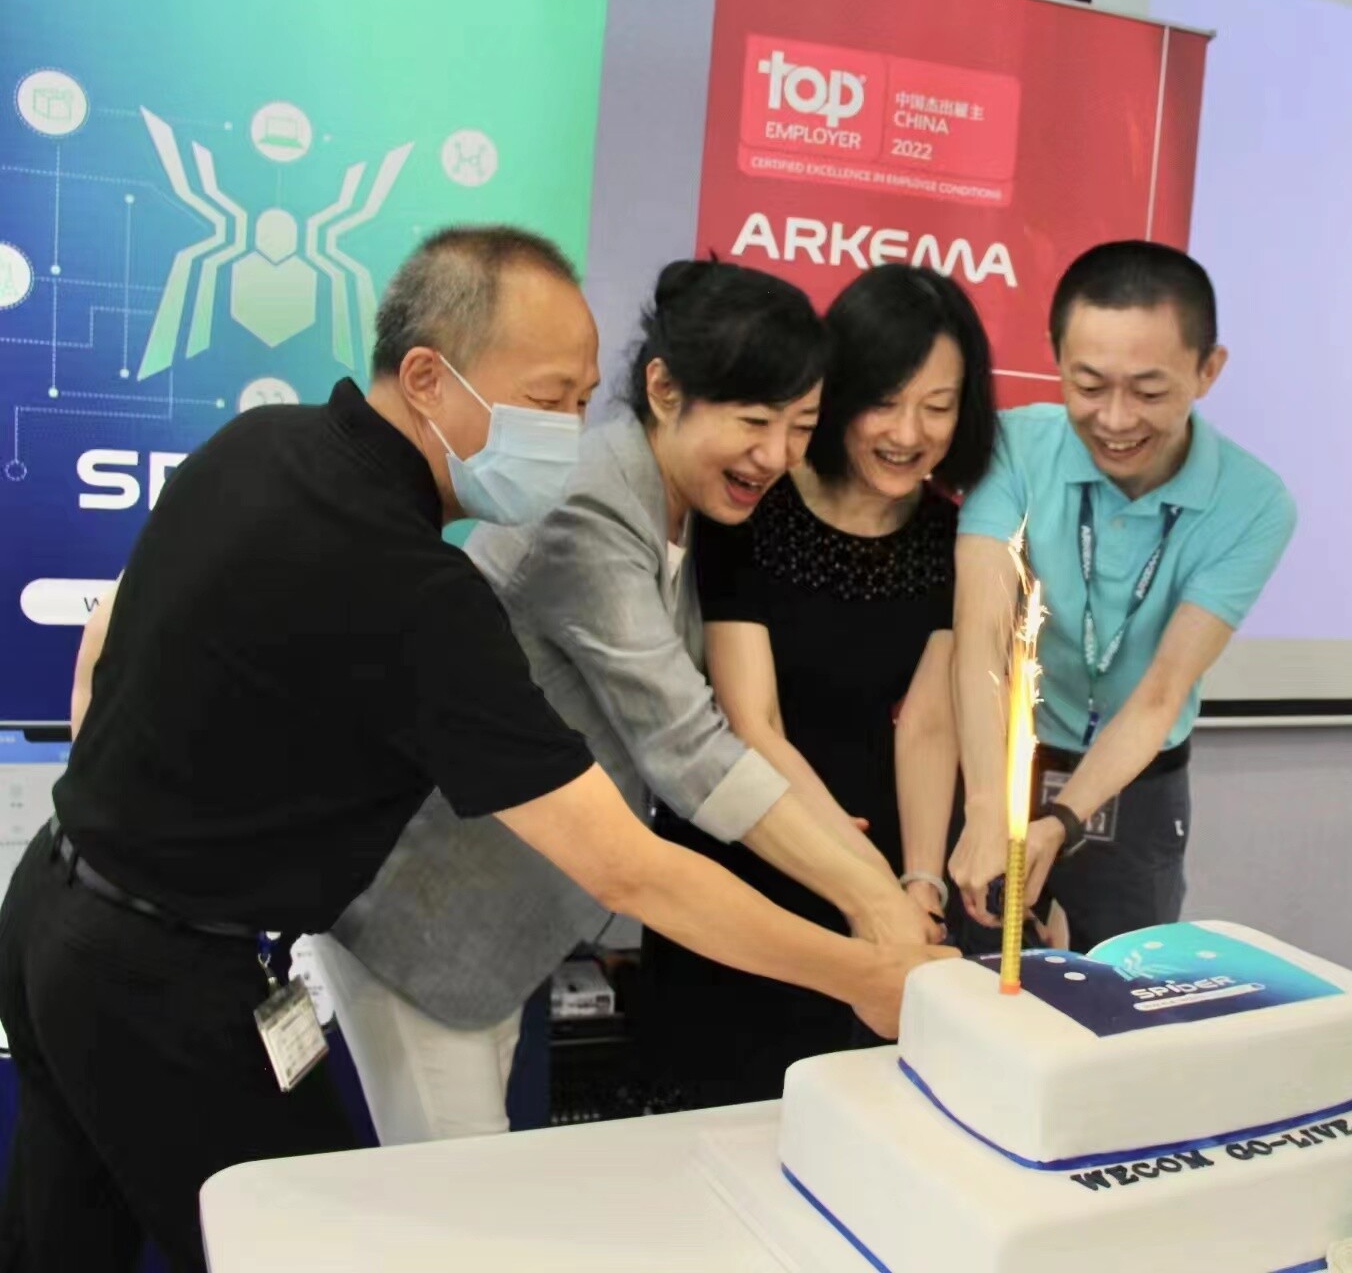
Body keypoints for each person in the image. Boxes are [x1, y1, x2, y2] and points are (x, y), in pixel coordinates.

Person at [0, 227, 948, 1273]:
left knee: (62, 1241)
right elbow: (630, 865)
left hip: (50, 905)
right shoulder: (417, 589)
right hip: (157, 976)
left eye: (581, 400)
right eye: (546, 401)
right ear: (427, 379)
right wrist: (862, 970)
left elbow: (104, 646)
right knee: (314, 1248)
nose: (569, 431)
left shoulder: (262, 443)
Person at [312, 259, 938, 1146]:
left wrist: (870, 877)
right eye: (754, 422)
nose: (777, 456)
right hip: (428, 925)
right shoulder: (589, 506)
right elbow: (692, 750)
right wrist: (875, 912)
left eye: (800, 427)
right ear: (664, 390)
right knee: (453, 1199)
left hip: (506, 925)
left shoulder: (687, 507)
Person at [635, 263, 999, 1107]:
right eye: (885, 402)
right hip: (752, 838)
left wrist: (919, 880)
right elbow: (751, 721)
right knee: (715, 1114)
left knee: (860, 1113)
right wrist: (859, 870)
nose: (909, 433)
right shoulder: (751, 506)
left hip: (881, 861)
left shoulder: (951, 535)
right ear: (837, 395)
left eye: (938, 407)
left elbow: (930, 723)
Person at [947, 240, 1297, 953]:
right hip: (1004, 755)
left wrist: (1063, 820)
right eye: (1088, 386)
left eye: (1148, 392)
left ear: (1208, 370)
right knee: (974, 971)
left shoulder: (1255, 503)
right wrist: (986, 803)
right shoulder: (1013, 447)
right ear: (1056, 357)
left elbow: (1162, 691)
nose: (1113, 419)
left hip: (1138, 775)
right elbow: (980, 634)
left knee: (1125, 979)